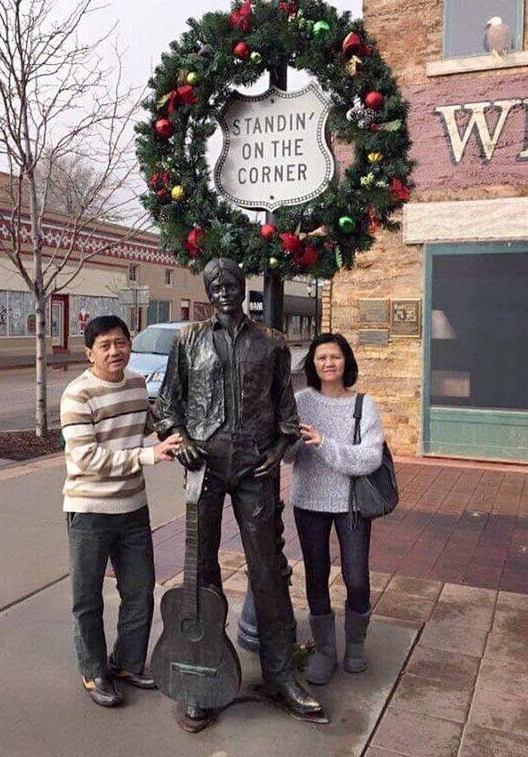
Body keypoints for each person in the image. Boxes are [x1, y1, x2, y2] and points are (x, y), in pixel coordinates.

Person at [156, 257, 324, 731]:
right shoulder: (187, 341)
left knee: (268, 569)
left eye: (231, 283)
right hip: (204, 466)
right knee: (201, 570)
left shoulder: (271, 343)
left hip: (255, 468)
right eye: (216, 285)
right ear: (208, 292)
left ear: (242, 285)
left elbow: (285, 410)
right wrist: (180, 436)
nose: (225, 291)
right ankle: (200, 675)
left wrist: (280, 446)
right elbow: (167, 404)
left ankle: (280, 673)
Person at [60, 315, 182, 708]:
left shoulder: (135, 384)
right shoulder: (77, 394)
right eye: (105, 345)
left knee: (139, 589)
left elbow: (147, 425)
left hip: (132, 508)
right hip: (90, 510)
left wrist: (172, 435)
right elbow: (86, 458)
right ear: (89, 353)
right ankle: (95, 671)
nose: (115, 351)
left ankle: (128, 662)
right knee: (88, 598)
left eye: (121, 342)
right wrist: (148, 455)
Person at [287, 332, 383, 685]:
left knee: (356, 577)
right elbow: (287, 457)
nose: (328, 363)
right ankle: (325, 649)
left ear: (347, 362)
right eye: (321, 358)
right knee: (316, 573)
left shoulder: (364, 405)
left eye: (335, 357)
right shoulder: (300, 401)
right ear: (312, 364)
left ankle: (355, 643)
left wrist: (324, 443)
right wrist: (289, 442)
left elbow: (370, 458)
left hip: (351, 503)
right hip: (309, 500)